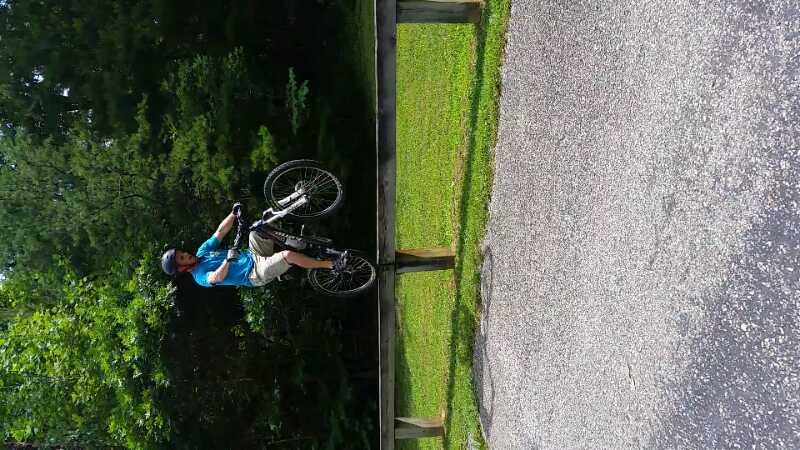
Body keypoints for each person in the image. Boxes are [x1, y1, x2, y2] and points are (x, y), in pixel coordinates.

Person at [160, 203, 342, 287]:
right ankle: (331, 265)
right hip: (254, 274)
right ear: (182, 269)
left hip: (253, 254)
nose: (186, 254)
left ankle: (300, 244)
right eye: (182, 258)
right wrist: (228, 261)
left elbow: (220, 232)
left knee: (258, 228)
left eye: (182, 253)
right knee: (287, 256)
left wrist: (233, 213)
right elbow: (216, 277)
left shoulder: (203, 251)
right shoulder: (199, 277)